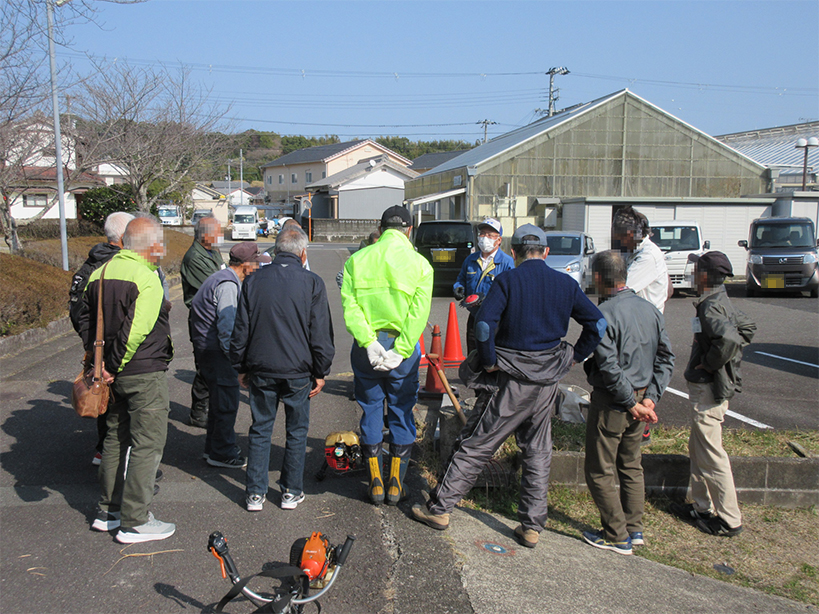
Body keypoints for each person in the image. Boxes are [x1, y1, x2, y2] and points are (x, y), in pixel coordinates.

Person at [412, 224, 606, 549]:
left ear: (513, 253)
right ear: (546, 253)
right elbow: (597, 323)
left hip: (510, 380)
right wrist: (574, 356)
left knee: (477, 443)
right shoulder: (565, 284)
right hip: (546, 382)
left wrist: (488, 362)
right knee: (538, 451)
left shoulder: (508, 280)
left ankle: (440, 508)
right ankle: (531, 526)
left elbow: (485, 325)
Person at [79, 216, 175, 544]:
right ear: (150, 245)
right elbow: (138, 328)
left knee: (114, 438)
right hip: (141, 371)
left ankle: (108, 511)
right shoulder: (146, 276)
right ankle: (135, 520)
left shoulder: (99, 273)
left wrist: (100, 363)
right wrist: (114, 363)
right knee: (147, 442)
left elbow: (86, 322)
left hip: (107, 372)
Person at [230, 227, 334, 512]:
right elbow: (320, 334)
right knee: (297, 431)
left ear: (275, 251)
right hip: (299, 369)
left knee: (261, 428)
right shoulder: (312, 283)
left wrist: (239, 365)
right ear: (303, 253)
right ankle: (290, 491)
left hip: (261, 367)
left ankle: (254, 493)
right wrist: (320, 371)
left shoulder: (253, 281)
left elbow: (241, 329)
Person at [582, 250, 675, 555]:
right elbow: (666, 358)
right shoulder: (650, 310)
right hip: (641, 400)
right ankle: (634, 530)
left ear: (598, 278)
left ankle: (615, 534)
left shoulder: (604, 314)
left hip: (613, 402)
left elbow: (608, 365)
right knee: (631, 465)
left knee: (600, 469)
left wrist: (630, 402)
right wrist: (649, 398)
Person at [340, 205, 433, 506]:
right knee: (402, 410)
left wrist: (368, 341)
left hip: (366, 348)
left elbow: (350, 307)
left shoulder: (357, 261)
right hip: (401, 349)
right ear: (408, 230)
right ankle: (396, 485)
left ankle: (375, 484)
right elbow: (419, 315)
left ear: (380, 230)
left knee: (370, 410)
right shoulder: (421, 265)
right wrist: (402, 349)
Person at [670, 251, 756, 538]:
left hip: (707, 389)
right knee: (698, 449)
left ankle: (729, 520)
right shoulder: (720, 299)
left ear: (704, 276)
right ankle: (702, 507)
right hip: (710, 388)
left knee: (711, 454)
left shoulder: (710, 307)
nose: (692, 273)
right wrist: (725, 356)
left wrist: (710, 362)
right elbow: (747, 328)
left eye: (696, 269)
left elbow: (730, 337)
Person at [68, 211, 135, 466]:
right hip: (122, 350)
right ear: (125, 235)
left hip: (97, 348)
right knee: (121, 407)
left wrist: (91, 344)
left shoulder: (87, 266)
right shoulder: (125, 266)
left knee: (101, 396)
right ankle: (119, 463)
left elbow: (77, 310)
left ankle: (103, 451)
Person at [189, 243, 262, 469]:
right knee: (226, 403)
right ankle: (222, 452)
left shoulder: (219, 277)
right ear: (246, 265)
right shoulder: (228, 285)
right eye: (256, 263)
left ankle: (214, 447)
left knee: (218, 401)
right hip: (217, 352)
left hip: (206, 349)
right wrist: (237, 361)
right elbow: (227, 328)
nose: (258, 267)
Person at [611, 205, 669, 446]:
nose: (617, 239)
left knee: (638, 374)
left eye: (620, 235)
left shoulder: (647, 256)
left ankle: (640, 424)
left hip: (643, 325)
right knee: (626, 369)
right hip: (633, 319)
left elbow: (623, 287)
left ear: (631, 234)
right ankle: (634, 419)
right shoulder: (633, 251)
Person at [180, 216, 225, 428]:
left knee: (215, 367)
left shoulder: (212, 252)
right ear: (206, 235)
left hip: (215, 317)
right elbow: (215, 285)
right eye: (218, 231)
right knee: (205, 367)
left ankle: (209, 407)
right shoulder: (195, 257)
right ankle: (199, 412)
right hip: (203, 319)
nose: (221, 235)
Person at [452, 218, 514, 354]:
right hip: (474, 316)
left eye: (490, 235)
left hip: (496, 319)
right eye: (483, 233)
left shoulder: (507, 262)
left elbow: (512, 291)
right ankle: (475, 375)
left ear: (499, 240)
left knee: (494, 354)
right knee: (473, 354)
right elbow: (461, 279)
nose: (485, 238)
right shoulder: (471, 259)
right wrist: (458, 287)